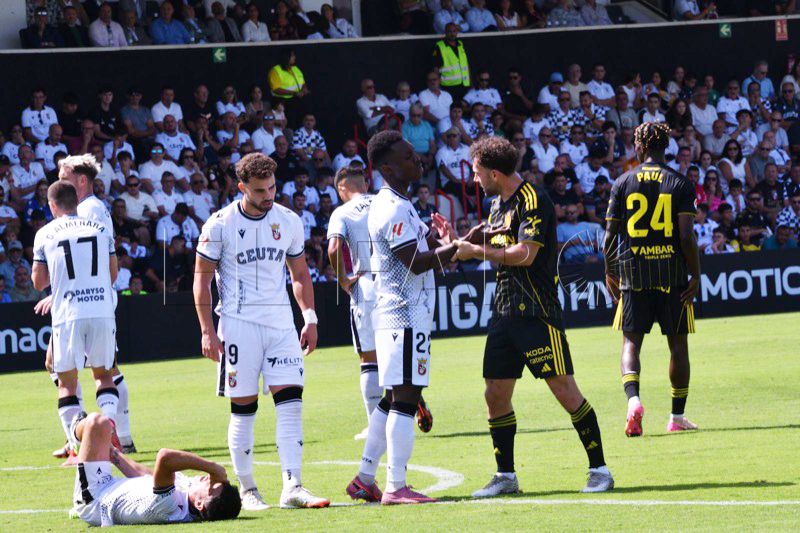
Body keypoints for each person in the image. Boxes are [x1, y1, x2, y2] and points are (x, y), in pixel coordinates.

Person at [450, 137, 613, 497]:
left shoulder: (534, 200)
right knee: (495, 393)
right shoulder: (497, 204)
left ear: (494, 173)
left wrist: (476, 251)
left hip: (537, 312)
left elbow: (525, 254)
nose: (475, 179)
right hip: (504, 311)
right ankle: (505, 476)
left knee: (565, 391)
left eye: (477, 173)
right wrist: (458, 243)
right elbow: (496, 247)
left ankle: (600, 470)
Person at [193, 153, 329, 510]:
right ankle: (248, 488)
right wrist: (207, 331)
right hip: (238, 326)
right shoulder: (219, 225)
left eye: (272, 188)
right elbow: (201, 282)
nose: (268, 195)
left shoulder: (289, 220)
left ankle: (293, 486)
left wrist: (310, 317)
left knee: (291, 404)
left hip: (281, 325)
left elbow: (300, 274)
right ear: (242, 187)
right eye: (259, 190)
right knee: (244, 409)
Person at [346, 131, 458, 505]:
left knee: (394, 396)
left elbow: (427, 250)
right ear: (389, 167)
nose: (418, 160)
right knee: (406, 398)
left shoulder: (401, 203)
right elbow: (415, 262)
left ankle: (365, 478)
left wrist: (453, 241)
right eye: (408, 157)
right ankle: (396, 486)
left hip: (402, 315)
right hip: (404, 315)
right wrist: (458, 248)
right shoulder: (392, 208)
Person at [603, 122, 701, 438]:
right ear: (665, 146)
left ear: (640, 146)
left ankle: (633, 401)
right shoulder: (681, 183)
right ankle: (677, 416)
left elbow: (609, 237)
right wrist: (696, 272)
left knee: (631, 343)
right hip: (673, 276)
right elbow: (686, 236)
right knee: (678, 344)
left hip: (633, 275)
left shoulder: (622, 182)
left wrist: (610, 271)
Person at [31, 181, 119, 465]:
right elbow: (113, 273)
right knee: (104, 376)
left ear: (52, 205)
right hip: (101, 310)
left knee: (67, 384)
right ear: (76, 202)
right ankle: (110, 433)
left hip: (68, 313)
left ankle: (76, 448)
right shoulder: (100, 229)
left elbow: (39, 282)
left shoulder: (45, 233)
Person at [68, 411, 241, 525]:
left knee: (97, 422)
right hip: (108, 486)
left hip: (94, 500)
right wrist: (114, 455)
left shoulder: (172, 509)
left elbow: (164, 457)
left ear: (199, 503)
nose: (209, 478)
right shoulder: (186, 490)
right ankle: (83, 439)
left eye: (211, 486)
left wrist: (213, 468)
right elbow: (144, 475)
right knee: (102, 428)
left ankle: (74, 434)